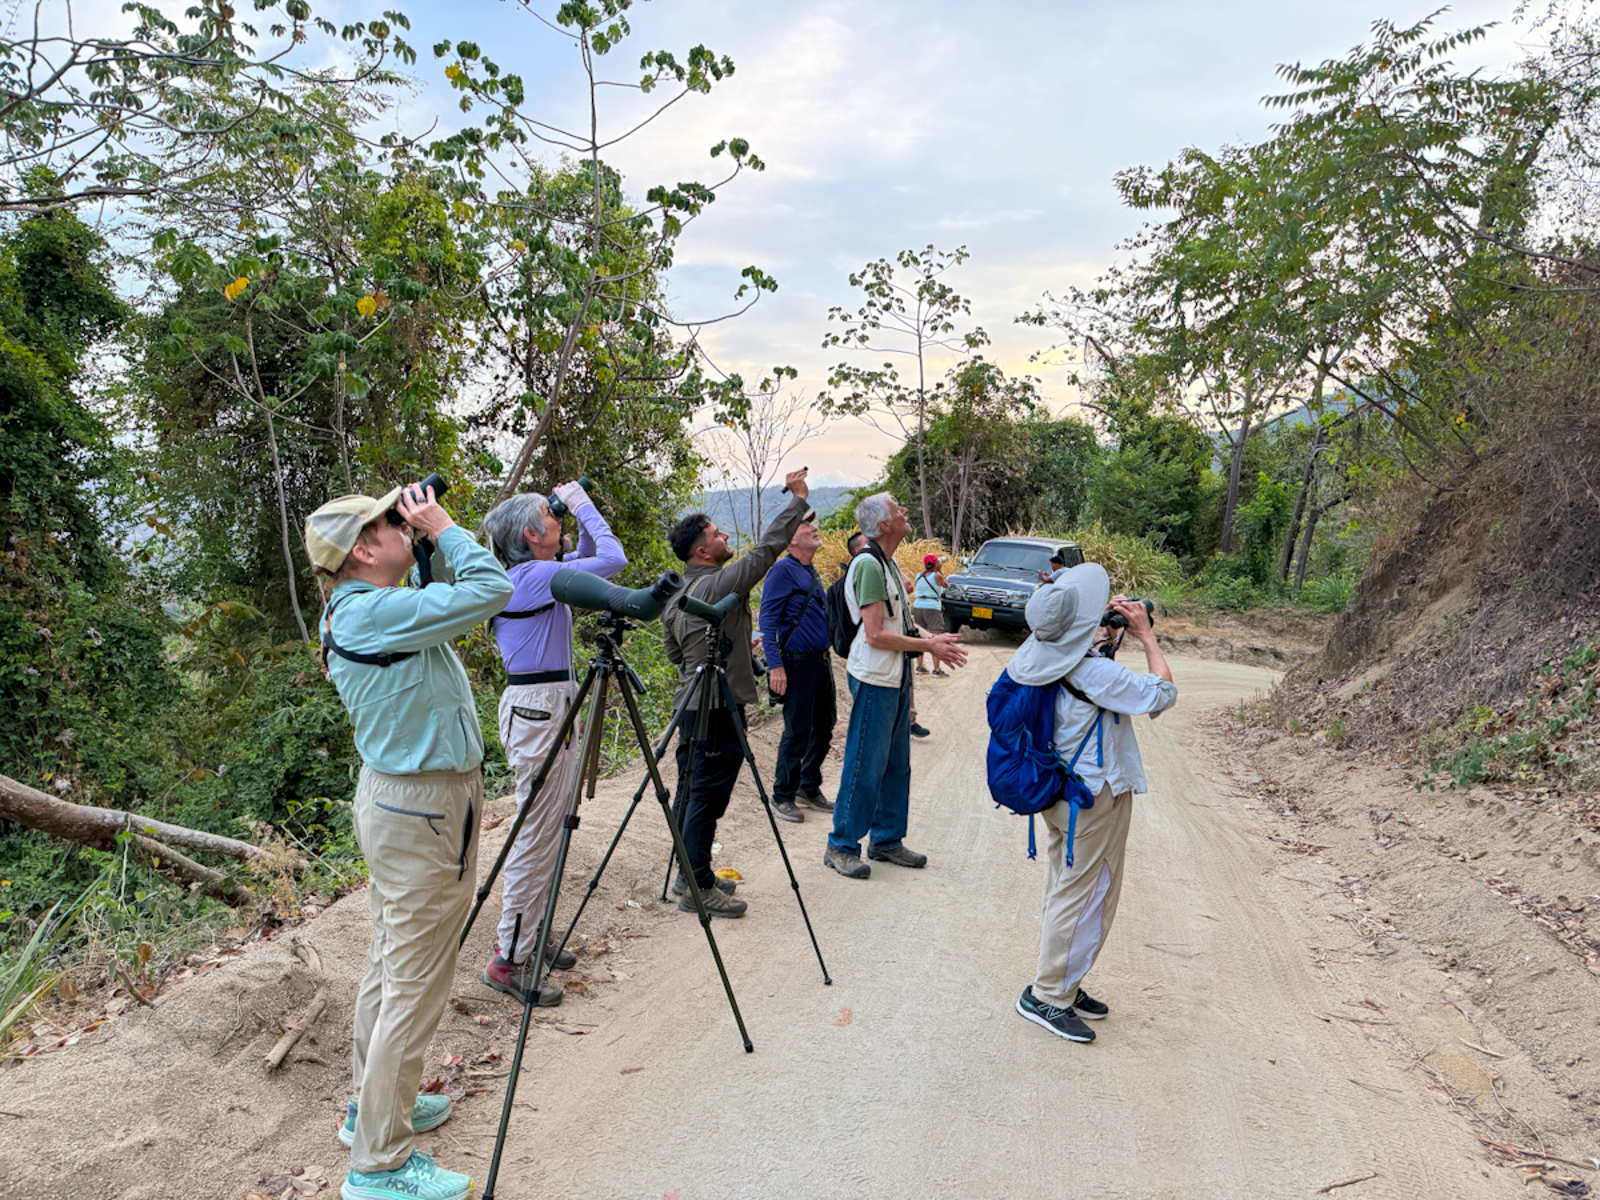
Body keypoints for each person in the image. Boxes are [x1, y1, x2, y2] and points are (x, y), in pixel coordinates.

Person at [306, 481, 513, 1200]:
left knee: (392, 961)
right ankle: (378, 1165)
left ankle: (372, 1107)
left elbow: (438, 602)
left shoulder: (366, 610)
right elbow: (492, 589)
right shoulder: (372, 614)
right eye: (391, 524)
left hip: (407, 803)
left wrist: (421, 545)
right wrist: (448, 527)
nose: (406, 526)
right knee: (415, 984)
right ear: (364, 549)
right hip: (422, 809)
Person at [1006, 562, 1177, 1044]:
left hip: (1060, 790)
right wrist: (1144, 636)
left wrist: (1097, 628)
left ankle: (1065, 980)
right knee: (1086, 894)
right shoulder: (1095, 671)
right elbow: (1163, 694)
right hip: (1094, 795)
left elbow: (1067, 636)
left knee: (1066, 885)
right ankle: (1047, 994)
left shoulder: (1038, 653)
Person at [479, 481, 625, 1007]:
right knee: (536, 833)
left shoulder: (530, 574)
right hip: (539, 706)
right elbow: (612, 559)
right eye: (552, 513)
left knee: (548, 824)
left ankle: (531, 936)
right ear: (530, 534)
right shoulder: (536, 576)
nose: (559, 517)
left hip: (543, 703)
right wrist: (584, 502)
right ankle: (507, 959)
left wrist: (575, 519)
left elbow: (587, 560)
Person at [663, 469, 812, 917]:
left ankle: (693, 875)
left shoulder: (676, 594)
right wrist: (798, 500)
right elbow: (765, 553)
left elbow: (673, 653)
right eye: (716, 533)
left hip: (690, 703)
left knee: (692, 791)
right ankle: (696, 887)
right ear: (703, 551)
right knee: (707, 796)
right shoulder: (715, 583)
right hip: (716, 705)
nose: (725, 535)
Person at [824, 493, 966, 880]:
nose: (904, 511)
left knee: (895, 765)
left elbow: (898, 626)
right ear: (883, 525)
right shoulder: (869, 565)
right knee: (864, 764)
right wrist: (927, 645)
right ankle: (841, 845)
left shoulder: (886, 564)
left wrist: (930, 638)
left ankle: (886, 840)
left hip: (894, 676)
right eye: (897, 509)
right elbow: (874, 635)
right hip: (875, 677)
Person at [757, 512, 836, 824]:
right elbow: (767, 620)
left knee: (825, 723)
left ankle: (808, 785)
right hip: (796, 664)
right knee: (797, 730)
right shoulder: (783, 571)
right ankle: (783, 795)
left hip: (820, 662)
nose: (814, 528)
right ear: (791, 539)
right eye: (806, 526)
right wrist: (775, 666)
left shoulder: (808, 569)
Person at [912, 553, 949, 678]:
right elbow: (945, 585)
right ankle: (936, 669)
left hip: (918, 606)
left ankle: (920, 666)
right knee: (935, 637)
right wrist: (940, 570)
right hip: (932, 606)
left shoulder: (918, 575)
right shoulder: (937, 575)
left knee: (920, 637)